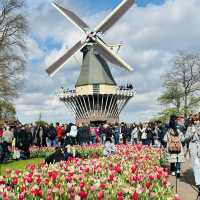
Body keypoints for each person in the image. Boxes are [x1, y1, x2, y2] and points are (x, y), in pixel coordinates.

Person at [185, 114, 200, 192]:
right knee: (196, 165)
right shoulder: (190, 128)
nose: (196, 122)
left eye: (197, 120)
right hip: (193, 147)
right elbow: (186, 138)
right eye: (194, 120)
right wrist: (192, 133)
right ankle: (198, 183)